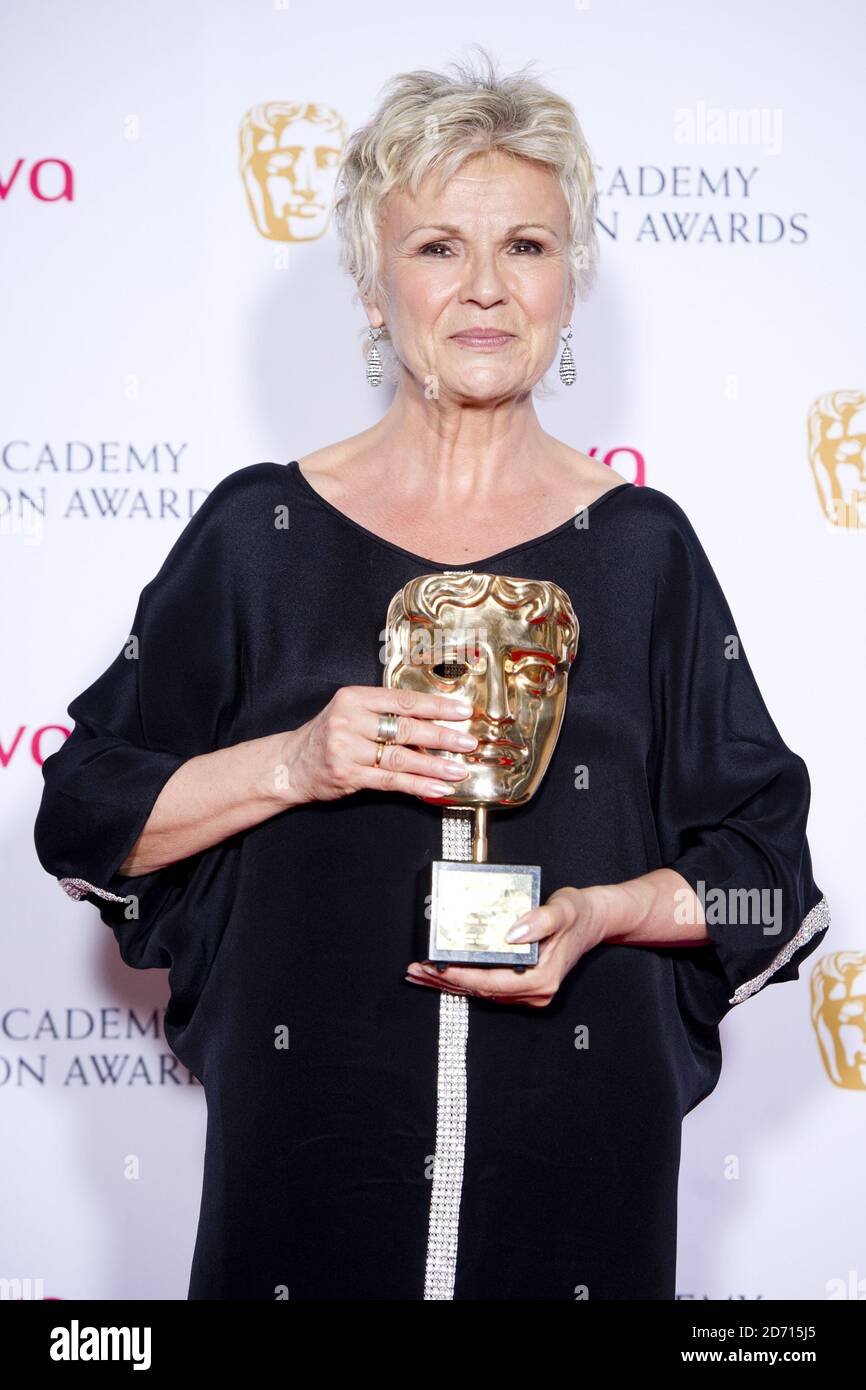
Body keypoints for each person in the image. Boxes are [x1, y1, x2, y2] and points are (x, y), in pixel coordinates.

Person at [33, 48, 830, 1300]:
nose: (485, 291)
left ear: (571, 285)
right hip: (308, 1172)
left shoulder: (642, 552)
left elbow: (764, 889)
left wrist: (604, 911)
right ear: (368, 285)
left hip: (579, 1187)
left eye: (525, 245)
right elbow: (84, 812)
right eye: (436, 248)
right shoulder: (259, 535)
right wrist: (294, 763)